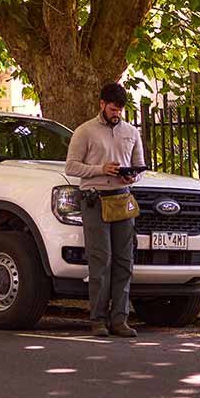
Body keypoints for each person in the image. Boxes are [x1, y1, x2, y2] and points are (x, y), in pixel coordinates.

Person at [65, 82, 145, 337]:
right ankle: (98, 319)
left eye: (120, 109)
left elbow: (139, 166)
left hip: (122, 198)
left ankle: (119, 319)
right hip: (95, 199)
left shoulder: (131, 132)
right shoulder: (85, 131)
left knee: (125, 261)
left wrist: (132, 177)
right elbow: (72, 167)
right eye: (112, 108)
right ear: (101, 104)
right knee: (101, 261)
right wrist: (101, 169)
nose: (116, 114)